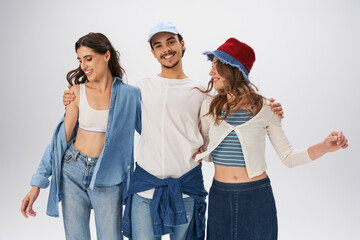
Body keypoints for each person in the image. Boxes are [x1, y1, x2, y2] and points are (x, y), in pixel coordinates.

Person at [62, 21, 283, 240]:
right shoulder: (141, 89)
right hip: (145, 189)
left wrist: (268, 108)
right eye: (158, 45)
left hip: (187, 188)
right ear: (153, 52)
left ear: (182, 44)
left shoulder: (202, 95)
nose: (166, 49)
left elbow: (230, 112)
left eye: (170, 42)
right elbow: (108, 105)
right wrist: (76, 95)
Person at [194, 37, 349, 240]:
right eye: (211, 66)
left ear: (232, 69)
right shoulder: (209, 106)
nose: (210, 72)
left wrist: (324, 147)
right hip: (220, 196)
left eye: (216, 66)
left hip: (257, 197)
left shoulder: (266, 108)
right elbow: (206, 150)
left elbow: (289, 157)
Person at [21, 33, 141, 240]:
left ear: (106, 56)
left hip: (110, 176)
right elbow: (59, 141)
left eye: (88, 58)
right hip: (72, 169)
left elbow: (150, 132)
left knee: (111, 237)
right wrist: (36, 184)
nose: (84, 65)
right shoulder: (77, 92)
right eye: (80, 60)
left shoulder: (130, 94)